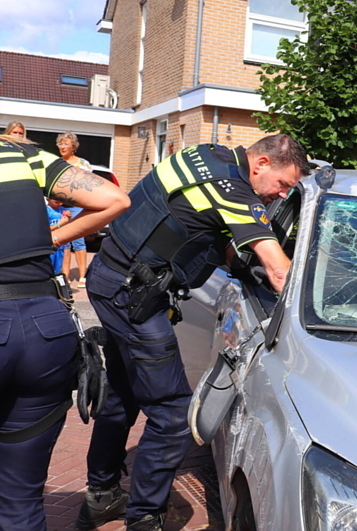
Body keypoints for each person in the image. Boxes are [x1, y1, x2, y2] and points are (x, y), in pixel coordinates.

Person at [79, 134, 310, 531]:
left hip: (113, 278)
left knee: (122, 389)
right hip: (134, 296)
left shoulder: (205, 155)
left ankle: (101, 496)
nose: (278, 196)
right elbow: (278, 271)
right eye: (283, 185)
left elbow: (198, 227)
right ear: (261, 165)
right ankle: (144, 518)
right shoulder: (234, 189)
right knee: (170, 413)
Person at [0, 132, 129, 531]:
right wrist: (49, 240)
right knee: (21, 498)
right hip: (46, 328)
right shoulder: (20, 152)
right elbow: (115, 200)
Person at [56, 132, 93, 289]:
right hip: (59, 205)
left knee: (78, 241)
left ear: (73, 147)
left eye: (66, 144)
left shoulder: (83, 164)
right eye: (60, 144)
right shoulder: (56, 163)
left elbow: (90, 185)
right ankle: (65, 276)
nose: (63, 147)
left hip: (77, 206)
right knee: (63, 241)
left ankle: (83, 276)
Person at [45, 198, 72, 274]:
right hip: (50, 242)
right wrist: (59, 224)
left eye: (61, 201)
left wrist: (69, 218)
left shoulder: (63, 210)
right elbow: (45, 228)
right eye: (56, 202)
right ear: (48, 199)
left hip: (61, 243)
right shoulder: (46, 211)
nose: (59, 204)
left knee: (59, 265)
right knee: (49, 264)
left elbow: (68, 224)